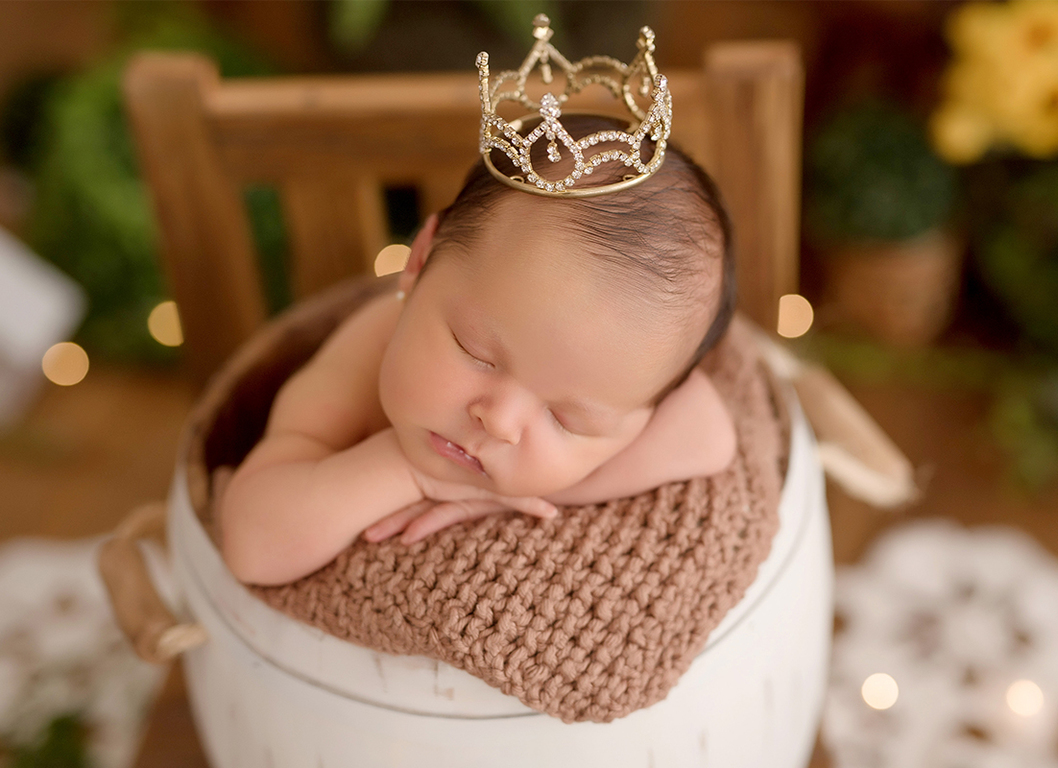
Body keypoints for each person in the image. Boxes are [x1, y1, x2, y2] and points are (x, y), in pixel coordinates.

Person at [218, 113, 740, 587]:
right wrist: (407, 471)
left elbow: (709, 434)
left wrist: (503, 497)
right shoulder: (363, 355)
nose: (499, 423)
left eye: (566, 419)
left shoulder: (627, 387)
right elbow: (251, 543)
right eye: (476, 353)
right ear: (420, 259)